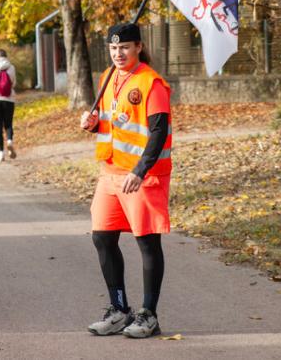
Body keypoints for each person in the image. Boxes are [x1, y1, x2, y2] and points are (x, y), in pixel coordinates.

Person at [80, 23, 172, 338]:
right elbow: (113, 121)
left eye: (125, 47)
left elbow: (158, 132)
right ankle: (119, 310)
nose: (118, 53)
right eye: (113, 48)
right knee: (102, 237)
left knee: (147, 241)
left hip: (142, 176)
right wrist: (93, 124)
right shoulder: (108, 77)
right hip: (111, 172)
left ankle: (149, 315)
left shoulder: (151, 83)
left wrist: (140, 170)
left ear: (138, 47)